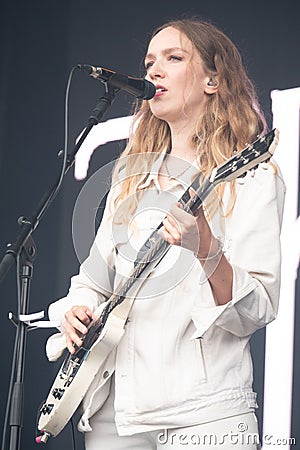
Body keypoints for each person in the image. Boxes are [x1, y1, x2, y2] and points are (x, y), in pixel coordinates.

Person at [45, 17, 285, 449]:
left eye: (174, 59)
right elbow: (91, 281)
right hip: (114, 414)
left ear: (214, 80)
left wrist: (206, 249)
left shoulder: (252, 178)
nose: (153, 71)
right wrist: (77, 308)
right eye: (149, 61)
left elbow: (258, 309)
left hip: (207, 413)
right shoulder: (130, 182)